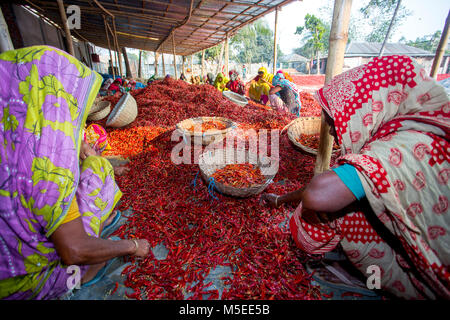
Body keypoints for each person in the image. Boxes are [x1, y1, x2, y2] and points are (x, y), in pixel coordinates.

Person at [261, 55, 450, 299]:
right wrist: (280, 200)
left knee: (318, 213)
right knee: (348, 199)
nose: (330, 131)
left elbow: (317, 194)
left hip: (440, 279)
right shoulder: (410, 131)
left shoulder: (405, 146)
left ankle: (396, 284)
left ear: (366, 109)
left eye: (335, 123)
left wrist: (284, 200)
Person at [0, 45, 150, 300]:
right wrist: (132, 246)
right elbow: (74, 250)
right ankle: (90, 269)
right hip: (23, 283)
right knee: (97, 168)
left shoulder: (13, 133)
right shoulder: (47, 167)